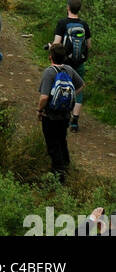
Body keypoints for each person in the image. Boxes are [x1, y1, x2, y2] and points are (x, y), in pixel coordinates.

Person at [37, 44, 85, 181]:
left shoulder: (49, 72)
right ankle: (66, 166)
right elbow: (82, 84)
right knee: (62, 140)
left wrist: (39, 111)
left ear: (50, 57)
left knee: (52, 145)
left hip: (50, 115)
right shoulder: (69, 69)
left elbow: (44, 97)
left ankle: (58, 175)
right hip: (65, 114)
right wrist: (71, 97)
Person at [52, 0, 90, 133]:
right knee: (79, 87)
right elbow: (89, 45)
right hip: (79, 62)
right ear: (79, 9)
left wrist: (51, 47)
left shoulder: (62, 23)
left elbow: (57, 44)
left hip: (65, 63)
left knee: (61, 85)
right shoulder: (84, 25)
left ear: (68, 7)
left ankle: (61, 115)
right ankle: (75, 121)